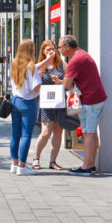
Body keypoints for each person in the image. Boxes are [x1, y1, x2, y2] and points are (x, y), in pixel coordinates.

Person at [59, 35, 108, 176]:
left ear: (67, 47)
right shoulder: (83, 55)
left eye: (60, 47)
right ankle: (91, 163)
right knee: (91, 132)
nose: (59, 50)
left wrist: (61, 82)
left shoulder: (75, 60)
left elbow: (67, 84)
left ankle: (86, 166)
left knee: (88, 133)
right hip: (96, 99)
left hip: (90, 101)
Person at [9, 39, 55, 176]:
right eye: (34, 48)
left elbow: (33, 67)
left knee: (15, 134)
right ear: (30, 50)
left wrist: (46, 60)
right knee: (26, 135)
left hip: (15, 101)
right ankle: (22, 166)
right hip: (28, 103)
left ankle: (14, 164)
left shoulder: (15, 63)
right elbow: (35, 89)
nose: (35, 50)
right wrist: (39, 78)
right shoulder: (32, 67)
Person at [32, 41, 66, 171]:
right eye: (48, 50)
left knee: (58, 132)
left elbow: (70, 79)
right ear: (43, 52)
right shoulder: (41, 66)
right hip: (47, 102)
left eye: (53, 49)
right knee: (46, 132)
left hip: (60, 102)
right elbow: (33, 82)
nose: (51, 51)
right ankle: (36, 158)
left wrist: (61, 81)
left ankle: (53, 161)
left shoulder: (61, 64)